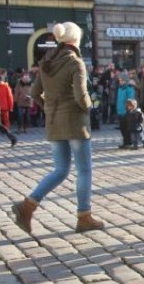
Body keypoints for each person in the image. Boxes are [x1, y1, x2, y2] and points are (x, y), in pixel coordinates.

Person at [11, 22, 105, 233]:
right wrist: (90, 107)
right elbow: (81, 95)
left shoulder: (47, 60)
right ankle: (84, 216)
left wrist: (48, 108)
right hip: (75, 123)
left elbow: (34, 93)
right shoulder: (75, 62)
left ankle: (27, 206)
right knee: (84, 170)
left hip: (53, 123)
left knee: (60, 170)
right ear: (76, 40)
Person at [115, 72, 136, 149]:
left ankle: (129, 142)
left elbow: (130, 100)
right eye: (120, 80)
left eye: (122, 80)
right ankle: (125, 141)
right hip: (120, 111)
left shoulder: (129, 88)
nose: (120, 82)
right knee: (122, 128)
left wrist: (128, 109)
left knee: (127, 128)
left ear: (126, 80)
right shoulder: (120, 88)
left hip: (127, 112)